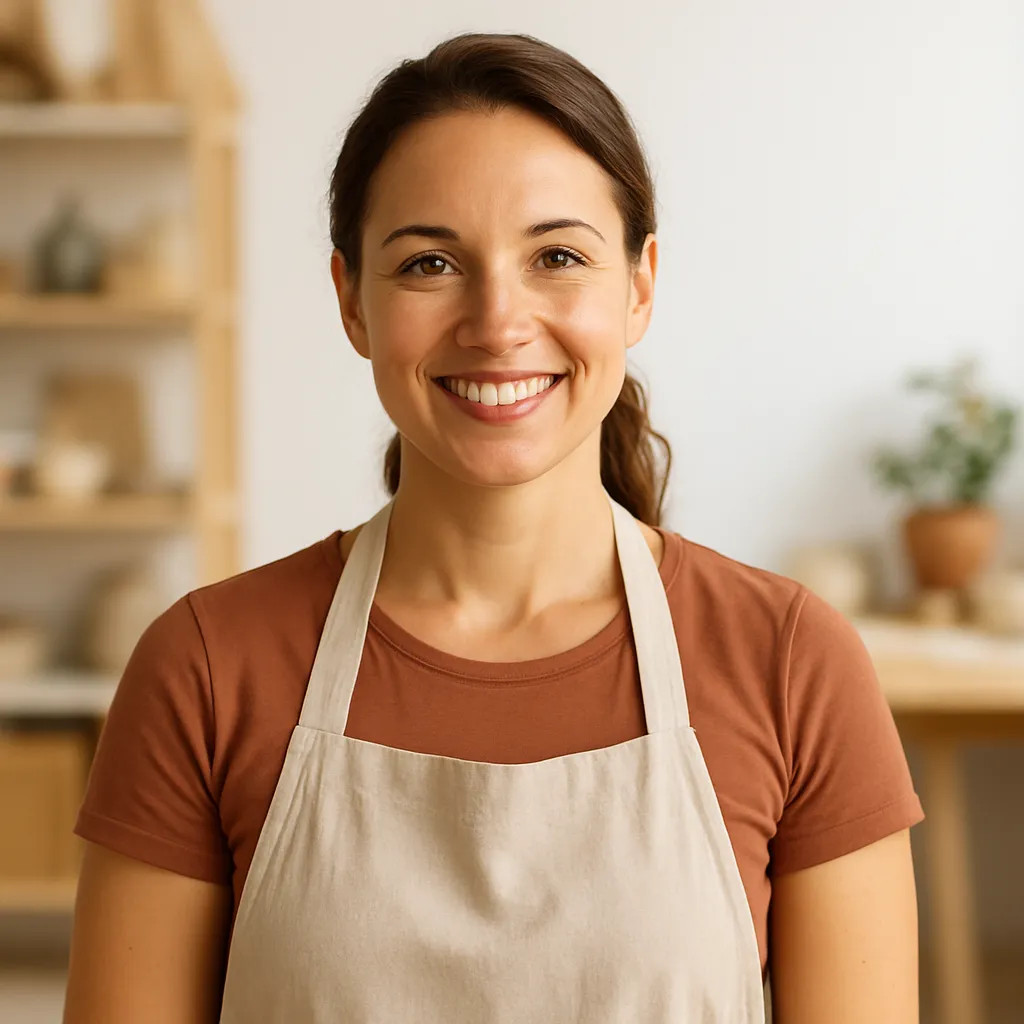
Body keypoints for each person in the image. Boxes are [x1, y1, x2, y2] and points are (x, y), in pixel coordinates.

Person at [63, 32, 923, 1023]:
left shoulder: (790, 661)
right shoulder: (206, 667)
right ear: (352, 301)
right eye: (430, 262)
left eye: (557, 255)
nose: (497, 320)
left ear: (639, 285)